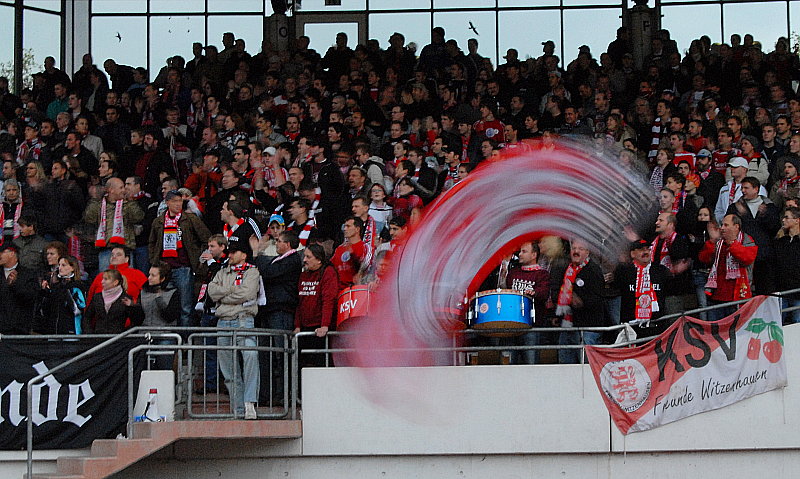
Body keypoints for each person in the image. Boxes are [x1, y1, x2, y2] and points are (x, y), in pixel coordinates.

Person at [207, 241, 261, 420]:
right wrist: (233, 291)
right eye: (229, 252)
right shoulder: (222, 271)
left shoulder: (252, 271)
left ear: (244, 255)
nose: (229, 255)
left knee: (250, 357)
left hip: (244, 320)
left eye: (234, 252)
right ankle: (238, 408)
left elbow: (248, 293)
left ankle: (249, 402)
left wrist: (224, 296)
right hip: (223, 322)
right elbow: (212, 291)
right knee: (228, 368)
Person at [252, 231, 302, 405]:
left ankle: (284, 394)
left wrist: (257, 253)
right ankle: (267, 394)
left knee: (281, 354)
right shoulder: (278, 260)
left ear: (287, 244)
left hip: (281, 311)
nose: (276, 244)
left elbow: (269, 272)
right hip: (268, 310)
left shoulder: (292, 260)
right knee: (265, 355)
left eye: (279, 241)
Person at [149, 189, 211, 328]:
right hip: (164, 269)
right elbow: (152, 242)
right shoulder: (158, 221)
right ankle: (169, 335)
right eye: (174, 201)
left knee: (185, 307)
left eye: (180, 201)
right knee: (165, 304)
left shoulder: (190, 219)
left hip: (184, 268)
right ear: (167, 203)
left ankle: (184, 338)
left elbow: (206, 238)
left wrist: (198, 259)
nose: (178, 204)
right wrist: (154, 261)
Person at [725, 176, 781, 294]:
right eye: (742, 188)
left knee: (765, 291)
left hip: (764, 255)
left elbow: (775, 228)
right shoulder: (735, 207)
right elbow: (728, 227)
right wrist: (743, 216)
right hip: (744, 255)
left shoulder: (769, 206)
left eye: (746, 188)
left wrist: (765, 215)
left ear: (756, 189)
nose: (743, 191)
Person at [294, 244, 338, 390]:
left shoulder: (328, 272)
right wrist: (297, 325)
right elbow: (300, 301)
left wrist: (324, 325)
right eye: (304, 256)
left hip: (320, 329)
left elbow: (328, 300)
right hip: (305, 328)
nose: (304, 260)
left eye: (308, 257)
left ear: (319, 259)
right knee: (301, 364)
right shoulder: (304, 274)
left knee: (321, 364)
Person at [698, 214, 758, 321]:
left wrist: (732, 243)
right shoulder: (719, 242)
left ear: (736, 226)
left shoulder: (747, 241)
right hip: (716, 297)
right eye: (722, 225)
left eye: (726, 225)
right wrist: (712, 241)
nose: (722, 228)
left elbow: (747, 259)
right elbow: (704, 259)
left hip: (736, 298)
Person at [555, 238, 605, 364]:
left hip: (588, 328)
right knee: (565, 366)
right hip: (567, 326)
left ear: (587, 252)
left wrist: (581, 302)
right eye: (574, 248)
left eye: (580, 249)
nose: (576, 251)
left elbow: (599, 299)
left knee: (587, 366)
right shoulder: (567, 270)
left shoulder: (593, 270)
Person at [503, 241, 550, 364]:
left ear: (534, 255)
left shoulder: (542, 274)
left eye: (524, 251)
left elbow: (544, 294)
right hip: (511, 324)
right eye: (520, 251)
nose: (520, 254)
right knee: (508, 363)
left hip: (531, 326)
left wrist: (534, 293)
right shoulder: (513, 273)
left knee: (531, 364)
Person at [84, 177, 144, 272]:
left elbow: (138, 217)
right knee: (106, 277)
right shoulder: (99, 204)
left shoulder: (127, 203)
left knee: (126, 277)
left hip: (125, 249)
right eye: (121, 188)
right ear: (111, 190)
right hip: (106, 249)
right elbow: (89, 218)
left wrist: (131, 201)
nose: (124, 190)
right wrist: (95, 199)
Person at [613, 240, 670, 337]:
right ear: (632, 254)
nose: (646, 252)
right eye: (641, 249)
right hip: (631, 327)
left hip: (657, 325)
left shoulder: (661, 271)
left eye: (648, 249)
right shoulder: (624, 271)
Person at [131, 262, 181, 370]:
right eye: (149, 274)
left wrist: (159, 300)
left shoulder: (173, 292)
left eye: (153, 275)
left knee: (164, 360)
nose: (149, 278)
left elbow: (170, 317)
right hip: (145, 334)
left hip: (165, 335)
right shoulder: (143, 291)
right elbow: (138, 319)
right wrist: (131, 307)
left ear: (162, 278)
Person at [34, 255, 86, 334]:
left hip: (71, 330)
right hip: (53, 330)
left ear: (72, 268)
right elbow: (46, 309)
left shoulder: (77, 286)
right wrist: (45, 292)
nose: (60, 268)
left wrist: (66, 290)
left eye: (63, 265)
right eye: (59, 265)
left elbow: (79, 308)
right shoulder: (56, 287)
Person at [83, 268, 141, 334]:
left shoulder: (126, 298)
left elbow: (136, 321)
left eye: (106, 279)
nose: (102, 282)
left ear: (115, 282)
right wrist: (89, 333)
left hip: (119, 338)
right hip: (98, 337)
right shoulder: (97, 297)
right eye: (103, 279)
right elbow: (87, 317)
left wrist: (125, 334)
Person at [0, 244, 38, 334]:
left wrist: (15, 285)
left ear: (12, 253)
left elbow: (31, 297)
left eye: (1, 252)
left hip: (20, 329)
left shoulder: (28, 274)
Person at [772, 206, 800, 324]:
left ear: (797, 220)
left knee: (797, 323)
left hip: (797, 292)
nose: (783, 220)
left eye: (787, 217)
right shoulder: (781, 242)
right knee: (779, 323)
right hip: (782, 290)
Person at [331, 216, 370, 290]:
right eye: (344, 226)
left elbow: (365, 266)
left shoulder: (365, 248)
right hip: (338, 290)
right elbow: (331, 267)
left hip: (355, 290)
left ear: (357, 229)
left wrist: (353, 256)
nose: (345, 229)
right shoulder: (339, 249)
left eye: (348, 226)